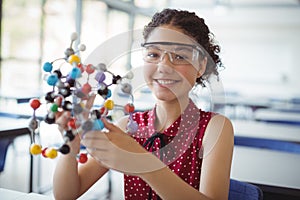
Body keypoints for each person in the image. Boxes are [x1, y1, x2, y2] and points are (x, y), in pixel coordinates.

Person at [53, 8, 233, 200]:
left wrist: (141, 162)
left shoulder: (215, 128)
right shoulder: (128, 128)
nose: (163, 66)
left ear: (201, 66)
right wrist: (71, 140)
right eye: (154, 54)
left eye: (180, 56)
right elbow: (66, 195)